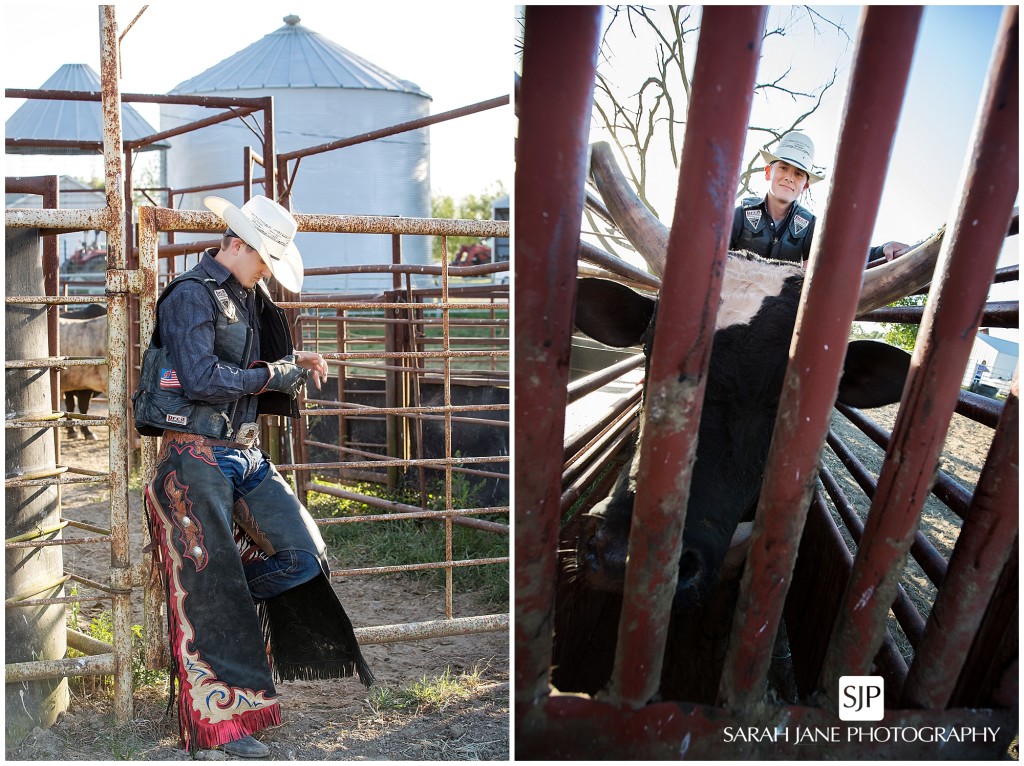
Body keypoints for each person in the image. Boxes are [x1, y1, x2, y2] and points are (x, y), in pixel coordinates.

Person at [133, 195, 373, 758]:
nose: (267, 270)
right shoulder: (191, 294)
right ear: (238, 244)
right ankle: (224, 730)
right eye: (264, 258)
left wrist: (295, 361)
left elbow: (237, 367)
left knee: (302, 554)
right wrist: (274, 375)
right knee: (214, 590)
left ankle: (226, 599)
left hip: (237, 452)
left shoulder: (240, 296)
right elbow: (199, 379)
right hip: (194, 454)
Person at [731, 131, 909, 266]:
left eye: (798, 174)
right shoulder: (740, 216)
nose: (789, 177)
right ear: (769, 172)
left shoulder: (809, 226)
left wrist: (882, 250)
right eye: (784, 168)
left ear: (805, 185)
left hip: (778, 309)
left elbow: (842, 253)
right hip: (733, 307)